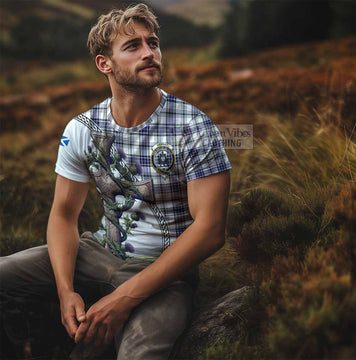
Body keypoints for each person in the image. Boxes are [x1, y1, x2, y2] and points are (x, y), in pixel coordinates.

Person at [0, 3, 231, 359]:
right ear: (104, 64)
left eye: (152, 43)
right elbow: (63, 216)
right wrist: (65, 292)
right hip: (97, 252)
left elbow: (211, 230)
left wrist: (121, 300)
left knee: (139, 354)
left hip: (164, 273)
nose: (149, 53)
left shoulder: (194, 127)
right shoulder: (82, 129)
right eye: (133, 46)